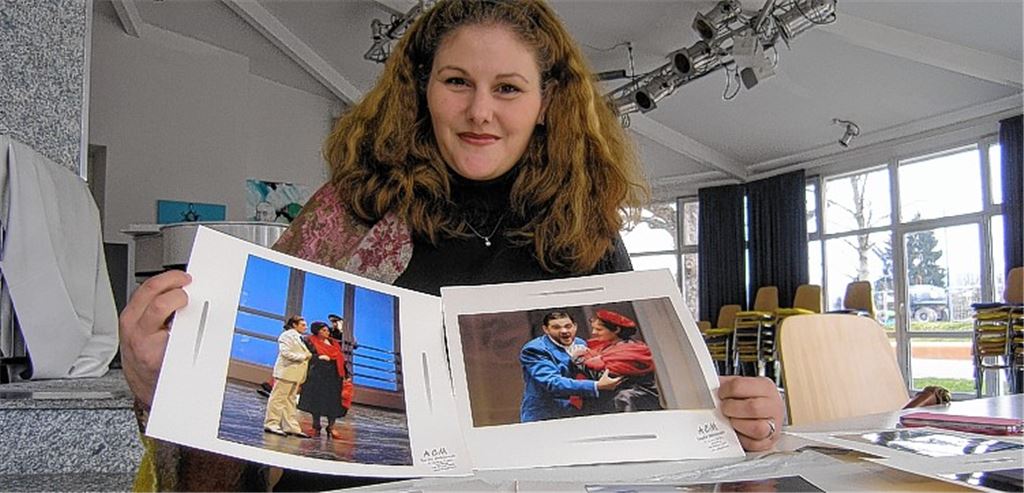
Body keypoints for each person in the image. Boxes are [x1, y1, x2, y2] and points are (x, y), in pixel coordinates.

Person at [118, 0, 784, 489]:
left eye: (508, 89)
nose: (480, 112)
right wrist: (159, 381)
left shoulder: (586, 232)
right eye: (457, 81)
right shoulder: (348, 216)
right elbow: (233, 429)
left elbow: (651, 436)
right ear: (423, 88)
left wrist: (743, 430)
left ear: (547, 101)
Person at [520, 311, 621, 422]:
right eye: (556, 327)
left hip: (575, 411)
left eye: (568, 326)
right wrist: (596, 386)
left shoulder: (580, 343)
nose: (564, 331)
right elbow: (553, 383)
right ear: (546, 329)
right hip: (544, 414)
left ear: (575, 326)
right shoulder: (534, 349)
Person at [571, 309, 662, 415]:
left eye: (599, 329)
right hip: (615, 402)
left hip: (631, 404)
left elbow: (606, 377)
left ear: (616, 330)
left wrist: (577, 359)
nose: (594, 333)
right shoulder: (606, 347)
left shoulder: (633, 350)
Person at [263, 316, 312, 438]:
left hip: (295, 374)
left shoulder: (300, 338)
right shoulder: (287, 336)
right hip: (286, 372)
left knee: (290, 401)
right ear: (294, 325)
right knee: (278, 399)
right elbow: (285, 353)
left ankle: (291, 426)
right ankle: (271, 423)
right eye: (302, 324)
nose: (305, 327)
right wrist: (303, 356)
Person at [298, 321, 348, 439]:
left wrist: (346, 375)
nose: (327, 332)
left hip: (334, 376)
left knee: (334, 402)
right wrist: (318, 358)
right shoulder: (310, 341)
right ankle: (316, 426)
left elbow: (341, 359)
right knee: (317, 401)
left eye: (327, 330)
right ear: (317, 331)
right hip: (319, 375)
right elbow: (308, 356)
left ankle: (331, 427)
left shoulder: (334, 343)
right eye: (323, 330)